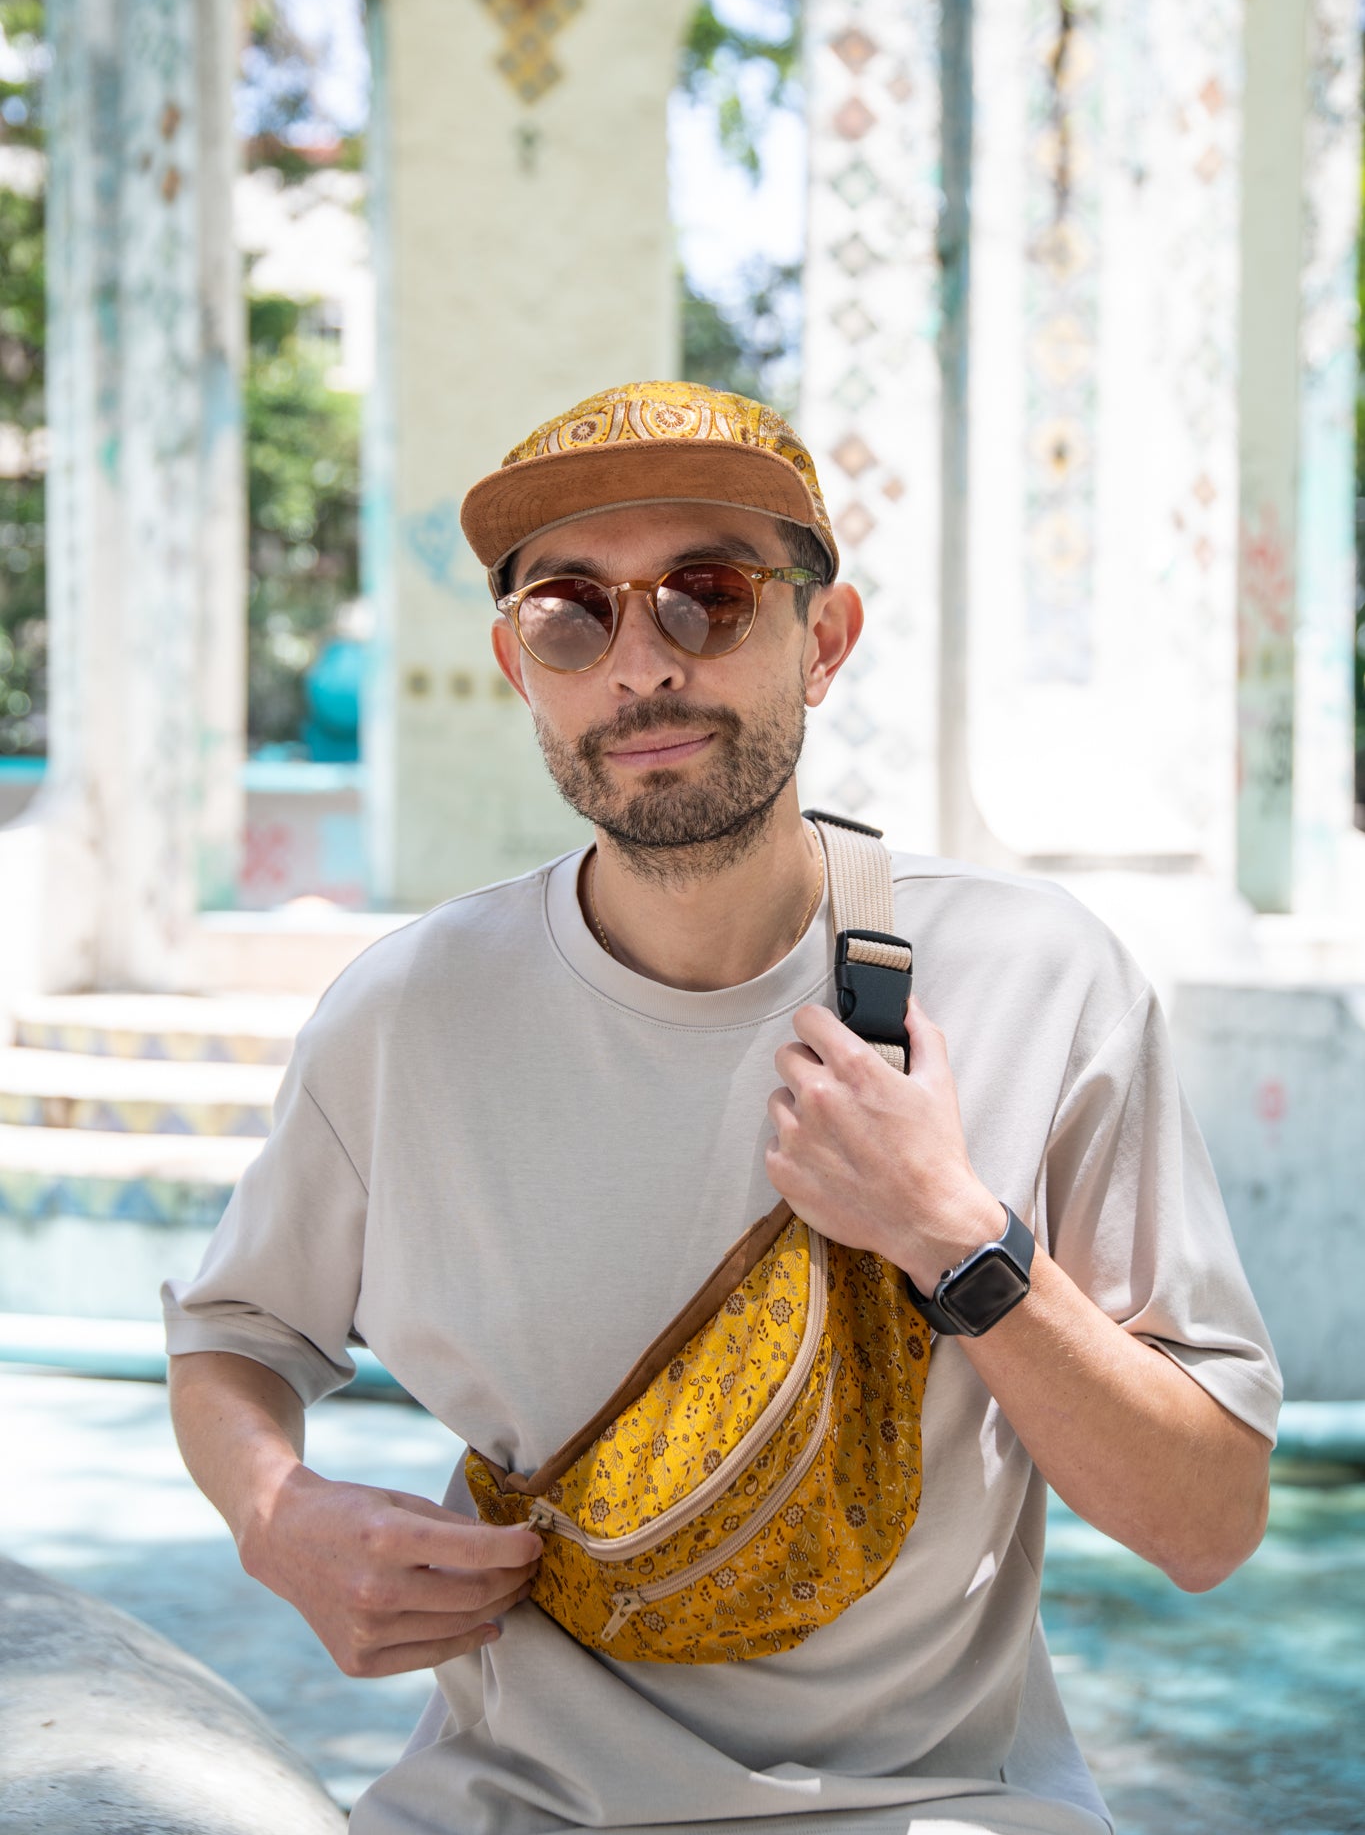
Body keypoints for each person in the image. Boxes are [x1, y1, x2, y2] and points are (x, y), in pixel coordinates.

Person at [164, 380, 1280, 1835]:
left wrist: (955, 1237)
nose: (640, 665)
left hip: (936, 1806)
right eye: (572, 613)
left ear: (823, 640)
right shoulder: (407, 1015)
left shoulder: (1035, 978)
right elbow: (236, 1335)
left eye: (708, 597)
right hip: (507, 1807)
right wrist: (276, 1516)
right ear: (517, 664)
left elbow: (1207, 1526)